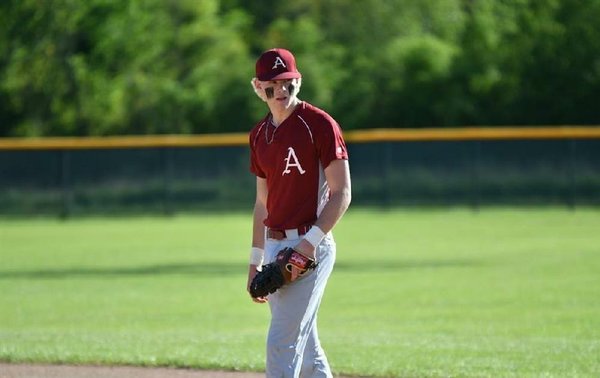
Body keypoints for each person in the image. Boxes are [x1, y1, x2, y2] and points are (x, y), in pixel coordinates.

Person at [246, 48, 352, 377]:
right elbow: (262, 205)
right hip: (276, 247)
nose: (281, 91)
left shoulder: (318, 124)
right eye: (272, 85)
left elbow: (342, 193)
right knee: (304, 348)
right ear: (257, 87)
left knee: (283, 341)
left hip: (312, 246)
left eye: (288, 83)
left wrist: (307, 246)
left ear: (299, 82)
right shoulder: (259, 135)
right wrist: (255, 261)